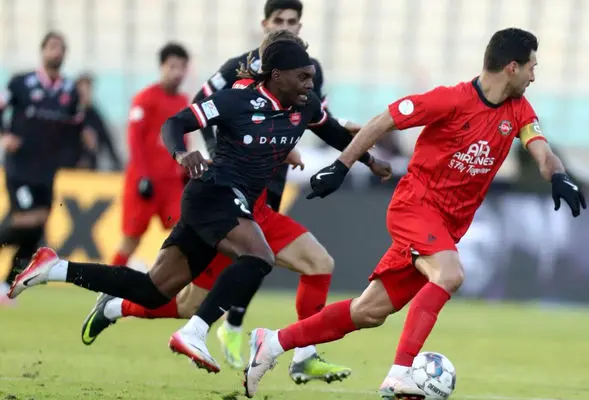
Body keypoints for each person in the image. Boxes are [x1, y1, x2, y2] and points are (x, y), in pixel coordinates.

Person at [8, 39, 390, 378]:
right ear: (278, 75)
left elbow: (334, 132)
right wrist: (181, 153)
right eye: (303, 77)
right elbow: (176, 123)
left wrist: (370, 161)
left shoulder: (304, 107)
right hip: (212, 192)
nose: (310, 84)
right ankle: (195, 332)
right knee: (259, 256)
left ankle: (53, 267)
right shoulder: (237, 99)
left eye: (312, 77)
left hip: (223, 204)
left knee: (154, 291)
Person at [242, 28, 586, 399]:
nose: (534, 76)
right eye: (532, 67)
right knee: (449, 273)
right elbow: (383, 120)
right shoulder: (450, 100)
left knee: (368, 312)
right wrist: (341, 166)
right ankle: (399, 374)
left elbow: (542, 151)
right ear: (512, 67)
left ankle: (272, 342)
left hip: (447, 226)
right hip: (415, 207)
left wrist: (559, 176)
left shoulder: (519, 111)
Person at [0, 32, 83, 304]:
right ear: (42, 51)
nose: (55, 52)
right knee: (27, 221)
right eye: (51, 47)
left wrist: (76, 153)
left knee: (37, 230)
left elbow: (75, 127)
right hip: (20, 167)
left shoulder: (69, 90)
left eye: (60, 48)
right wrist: (4, 135)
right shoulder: (21, 83)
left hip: (47, 170)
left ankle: (6, 285)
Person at [110, 43, 190, 268]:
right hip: (144, 182)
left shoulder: (183, 102)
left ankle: (169, 280)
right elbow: (134, 141)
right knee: (131, 239)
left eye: (182, 67)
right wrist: (143, 176)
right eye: (172, 66)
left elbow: (184, 140)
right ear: (162, 67)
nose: (177, 73)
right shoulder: (144, 99)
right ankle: (106, 282)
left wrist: (184, 170)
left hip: (171, 183)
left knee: (185, 232)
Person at [75, 73, 122, 171]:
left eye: (88, 91)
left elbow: (107, 140)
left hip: (91, 167)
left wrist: (116, 163)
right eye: (82, 92)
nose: (86, 95)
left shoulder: (94, 114)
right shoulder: (70, 113)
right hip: (71, 168)